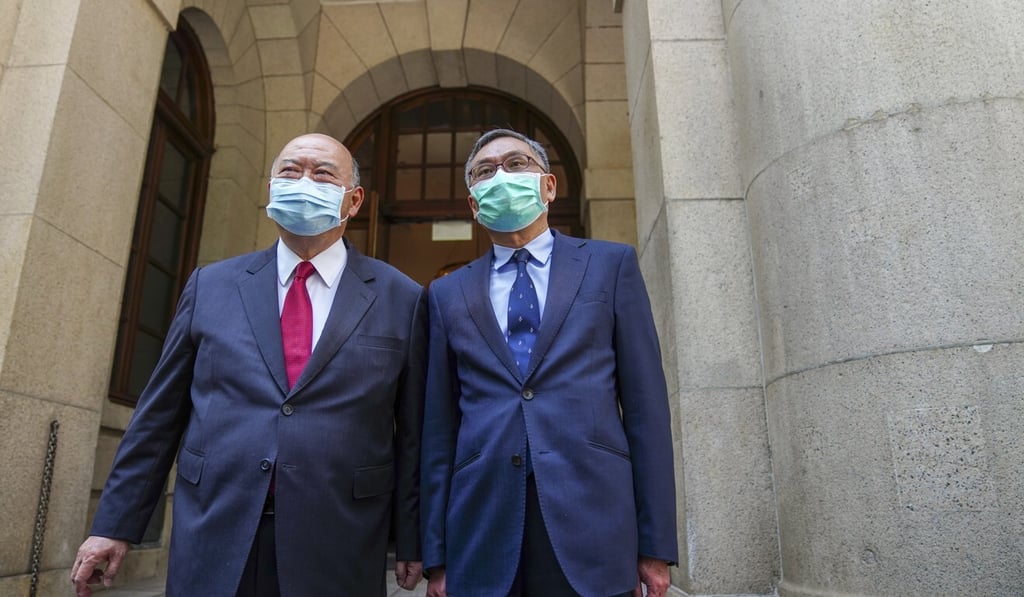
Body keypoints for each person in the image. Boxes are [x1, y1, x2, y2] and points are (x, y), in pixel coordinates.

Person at [72, 133, 426, 597]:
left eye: (322, 173)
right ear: (270, 189)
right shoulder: (211, 286)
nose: (304, 181)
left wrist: (415, 541)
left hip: (340, 538)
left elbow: (416, 436)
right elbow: (159, 417)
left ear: (353, 200)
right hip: (214, 529)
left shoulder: (403, 297)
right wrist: (114, 524)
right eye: (289, 171)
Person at [420, 129, 678, 597]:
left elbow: (646, 410)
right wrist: (435, 554)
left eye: (516, 164)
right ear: (475, 204)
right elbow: (439, 428)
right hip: (484, 526)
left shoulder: (611, 265)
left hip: (596, 522)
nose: (500, 176)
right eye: (484, 171)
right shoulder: (445, 294)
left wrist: (655, 543)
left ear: (550, 186)